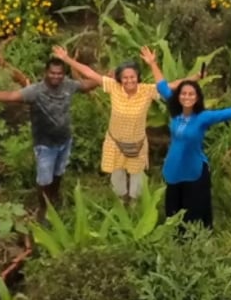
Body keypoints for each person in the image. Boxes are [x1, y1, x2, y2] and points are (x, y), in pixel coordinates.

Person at [0, 56, 98, 209]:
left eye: (59, 73)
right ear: (46, 72)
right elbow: (12, 96)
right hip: (45, 144)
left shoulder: (68, 86)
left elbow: (84, 86)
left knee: (58, 172)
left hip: (64, 140)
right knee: (44, 179)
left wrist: (102, 80)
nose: (56, 76)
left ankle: (54, 198)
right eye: (52, 73)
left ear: (64, 74)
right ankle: (43, 210)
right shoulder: (35, 91)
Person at [155, 78, 231, 229]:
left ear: (197, 98)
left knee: (193, 211)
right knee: (173, 209)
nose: (187, 97)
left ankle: (194, 242)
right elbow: (162, 86)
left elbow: (229, 113)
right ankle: (175, 238)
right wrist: (152, 62)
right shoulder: (175, 110)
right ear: (178, 96)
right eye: (184, 94)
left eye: (191, 94)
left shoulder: (202, 117)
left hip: (193, 171)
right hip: (174, 169)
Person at [50, 45, 165, 208]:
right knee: (117, 173)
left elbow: (167, 87)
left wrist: (153, 64)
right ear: (120, 79)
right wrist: (67, 59)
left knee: (136, 175)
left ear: (138, 76)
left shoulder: (147, 91)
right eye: (125, 77)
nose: (129, 80)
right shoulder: (114, 87)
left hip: (137, 144)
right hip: (115, 142)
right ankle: (120, 202)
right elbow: (89, 73)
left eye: (132, 77)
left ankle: (134, 205)